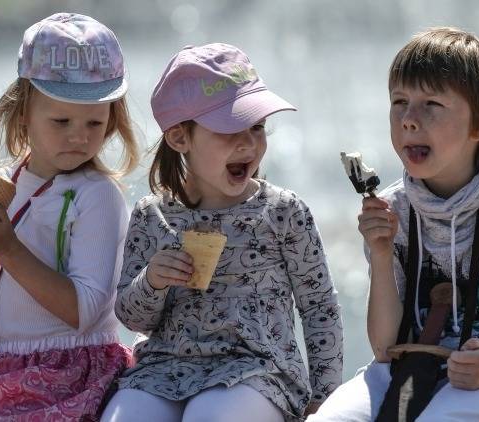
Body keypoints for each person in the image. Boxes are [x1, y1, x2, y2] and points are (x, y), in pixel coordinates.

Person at [309, 27, 479, 421]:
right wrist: (381, 254)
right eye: (399, 101)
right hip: (403, 369)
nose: (409, 120)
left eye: (431, 103)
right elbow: (384, 349)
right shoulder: (391, 207)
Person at [0, 13, 140, 421]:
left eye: (94, 122)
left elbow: (84, 311)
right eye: (61, 121)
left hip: (77, 370)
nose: (79, 136)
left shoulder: (98, 195)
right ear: (22, 113)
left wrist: (8, 249)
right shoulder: (3, 185)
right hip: (14, 365)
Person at [101, 43, 343, 422]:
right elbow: (133, 318)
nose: (248, 142)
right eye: (230, 128)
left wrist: (325, 400)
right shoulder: (152, 214)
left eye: (258, 126)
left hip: (258, 372)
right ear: (180, 138)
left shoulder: (282, 212)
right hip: (163, 368)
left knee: (209, 416)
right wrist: (153, 281)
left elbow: (319, 308)